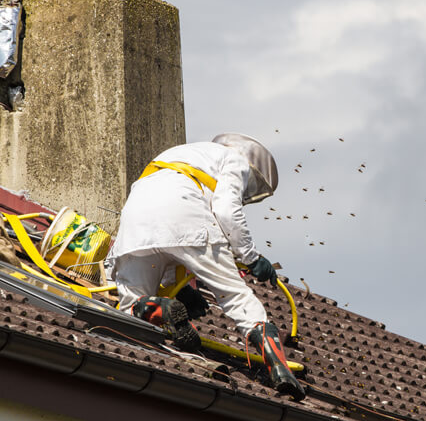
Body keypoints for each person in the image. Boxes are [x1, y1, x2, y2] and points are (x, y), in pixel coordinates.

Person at [108, 133, 306, 400]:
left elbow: (166, 244)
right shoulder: (235, 160)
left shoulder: (181, 153)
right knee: (238, 298)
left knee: (129, 305)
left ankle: (161, 308)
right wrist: (252, 258)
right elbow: (226, 210)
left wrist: (179, 293)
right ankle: (280, 371)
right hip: (186, 214)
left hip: (136, 220)